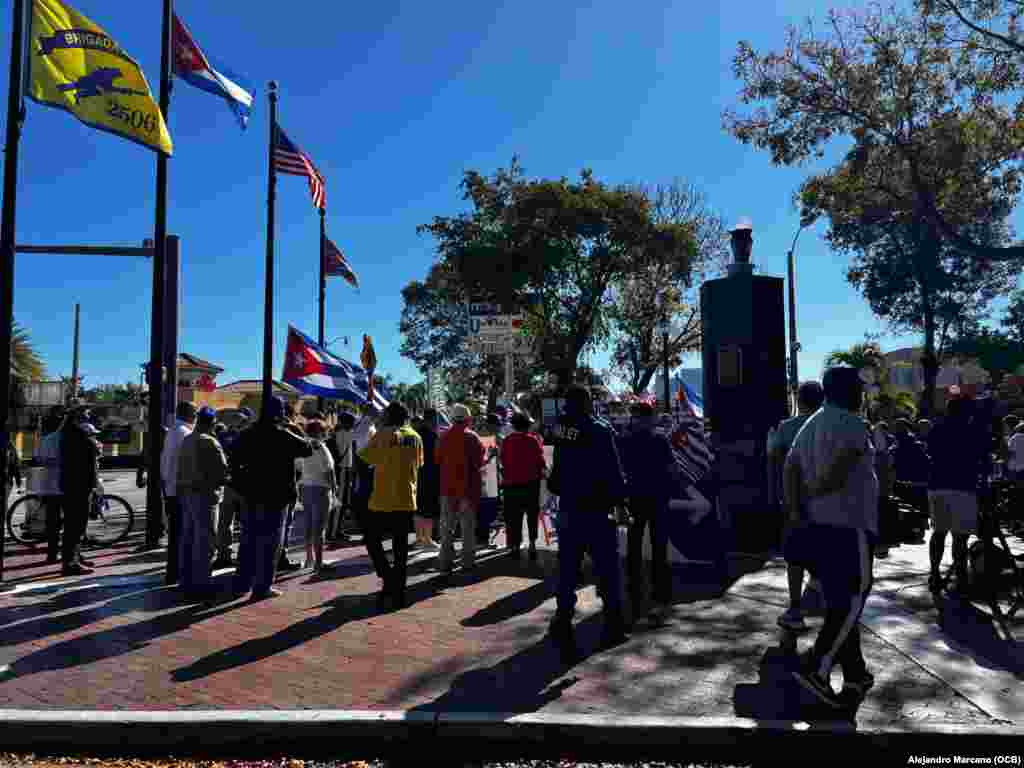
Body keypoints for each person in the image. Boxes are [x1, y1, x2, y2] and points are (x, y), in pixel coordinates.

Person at [783, 367, 878, 710]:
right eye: (859, 389)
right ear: (849, 391)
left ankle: (856, 674)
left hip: (818, 528)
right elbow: (842, 467)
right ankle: (818, 668)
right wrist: (818, 491)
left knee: (840, 603)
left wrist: (796, 509)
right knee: (852, 599)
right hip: (850, 526)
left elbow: (790, 467)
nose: (862, 395)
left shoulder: (809, 425)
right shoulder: (852, 424)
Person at [547, 385, 629, 663]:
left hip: (570, 510)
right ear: (588, 404)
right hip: (597, 511)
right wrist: (620, 504)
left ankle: (562, 619)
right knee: (607, 568)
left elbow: (555, 477)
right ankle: (614, 623)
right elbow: (613, 471)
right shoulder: (600, 430)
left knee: (567, 569)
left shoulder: (561, 431)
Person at [229, 396, 313, 600]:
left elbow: (233, 459)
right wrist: (292, 426)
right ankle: (261, 587)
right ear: (280, 414)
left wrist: (242, 484)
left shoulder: (247, 434)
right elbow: (307, 448)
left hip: (251, 495)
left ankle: (242, 584)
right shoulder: (282, 434)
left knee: (248, 540)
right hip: (277, 497)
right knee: (271, 543)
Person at [767, 381, 825, 633]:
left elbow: (774, 461)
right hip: (827, 501)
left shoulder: (786, 428)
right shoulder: (829, 427)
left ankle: (795, 607)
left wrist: (775, 496)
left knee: (794, 558)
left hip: (795, 502)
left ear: (799, 400)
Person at [358, 402, 424, 609]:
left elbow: (364, 459)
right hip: (406, 498)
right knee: (400, 548)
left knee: (371, 539)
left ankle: (388, 577)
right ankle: (399, 592)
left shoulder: (384, 434)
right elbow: (418, 464)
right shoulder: (415, 436)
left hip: (383, 499)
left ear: (389, 417)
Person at [619, 401, 677, 626]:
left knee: (633, 548)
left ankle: (633, 593)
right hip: (658, 499)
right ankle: (661, 596)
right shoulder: (659, 439)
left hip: (633, 499)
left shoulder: (623, 440)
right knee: (659, 548)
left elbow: (618, 470)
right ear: (649, 417)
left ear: (634, 417)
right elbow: (672, 469)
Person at [926, 396, 989, 596]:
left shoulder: (937, 428)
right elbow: (984, 460)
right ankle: (961, 579)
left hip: (938, 485)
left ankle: (934, 574)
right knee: (960, 537)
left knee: (939, 532)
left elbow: (931, 452)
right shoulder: (974, 430)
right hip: (963, 486)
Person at [175, 406, 228, 599]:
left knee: (188, 539)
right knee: (205, 542)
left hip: (187, 494)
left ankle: (186, 580)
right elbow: (222, 473)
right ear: (212, 422)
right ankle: (202, 584)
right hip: (205, 496)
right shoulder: (210, 442)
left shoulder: (188, 440)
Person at [436, 404, 486, 574]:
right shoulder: (473, 437)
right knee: (467, 528)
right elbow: (479, 463)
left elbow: (438, 460)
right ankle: (467, 562)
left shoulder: (443, 437)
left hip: (447, 488)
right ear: (467, 419)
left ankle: (445, 562)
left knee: (446, 528)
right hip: (467, 488)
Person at [58, 406, 101, 576]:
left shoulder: (70, 433)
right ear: (78, 419)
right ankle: (70, 563)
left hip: (74, 485)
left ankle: (75, 556)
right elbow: (90, 454)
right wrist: (95, 446)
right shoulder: (77, 436)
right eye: (86, 417)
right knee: (75, 525)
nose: (88, 420)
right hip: (78, 486)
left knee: (76, 525)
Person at [500, 411, 547, 561]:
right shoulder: (533, 441)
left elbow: (503, 461)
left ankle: (514, 546)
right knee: (532, 515)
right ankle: (532, 544)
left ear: (513, 425)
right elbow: (540, 462)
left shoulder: (507, 441)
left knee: (513, 516)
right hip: (530, 484)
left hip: (511, 485)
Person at [161, 402, 197, 585]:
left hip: (171, 488)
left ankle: (173, 572)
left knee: (176, 534)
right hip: (181, 490)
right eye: (195, 412)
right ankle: (178, 573)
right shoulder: (185, 433)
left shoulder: (174, 431)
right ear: (189, 414)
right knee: (182, 534)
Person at [212, 409, 253, 570]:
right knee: (241, 522)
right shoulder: (247, 437)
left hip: (229, 483)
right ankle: (237, 556)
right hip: (242, 485)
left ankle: (224, 555)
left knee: (225, 522)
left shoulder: (222, 436)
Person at [299, 419, 336, 572]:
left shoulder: (302, 445)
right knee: (319, 527)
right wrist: (334, 489)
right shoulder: (321, 447)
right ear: (320, 432)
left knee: (308, 524)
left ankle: (309, 558)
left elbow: (298, 467)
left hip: (305, 487)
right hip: (321, 488)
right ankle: (318, 563)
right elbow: (329, 471)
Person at [35, 408, 65, 565]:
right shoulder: (64, 439)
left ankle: (52, 553)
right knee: (69, 520)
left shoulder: (45, 440)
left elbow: (38, 459)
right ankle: (67, 552)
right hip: (64, 484)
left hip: (48, 485)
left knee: (52, 521)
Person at [413, 408, 442, 550]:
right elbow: (438, 457)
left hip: (417, 474)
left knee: (418, 508)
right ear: (433, 420)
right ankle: (427, 539)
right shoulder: (433, 436)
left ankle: (419, 539)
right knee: (428, 509)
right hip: (430, 475)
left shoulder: (416, 434)